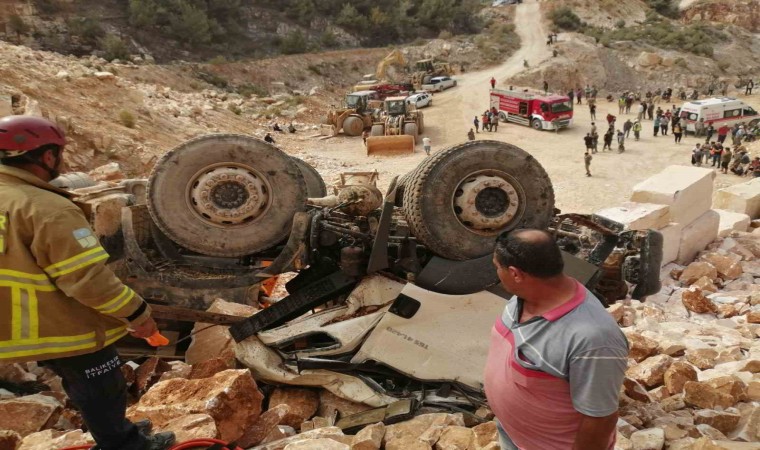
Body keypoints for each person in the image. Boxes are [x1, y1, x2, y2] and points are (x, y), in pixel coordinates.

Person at [0, 116, 175, 450]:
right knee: (102, 381)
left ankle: (117, 432)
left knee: (83, 379)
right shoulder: (47, 208)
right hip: (50, 323)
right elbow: (88, 280)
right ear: (47, 156)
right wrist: (137, 313)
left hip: (10, 321)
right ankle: (123, 444)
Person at [486, 230, 627, 450]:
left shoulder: (594, 340)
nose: (496, 273)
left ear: (515, 274)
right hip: (513, 434)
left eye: (497, 267)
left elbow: (600, 419)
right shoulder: (526, 296)